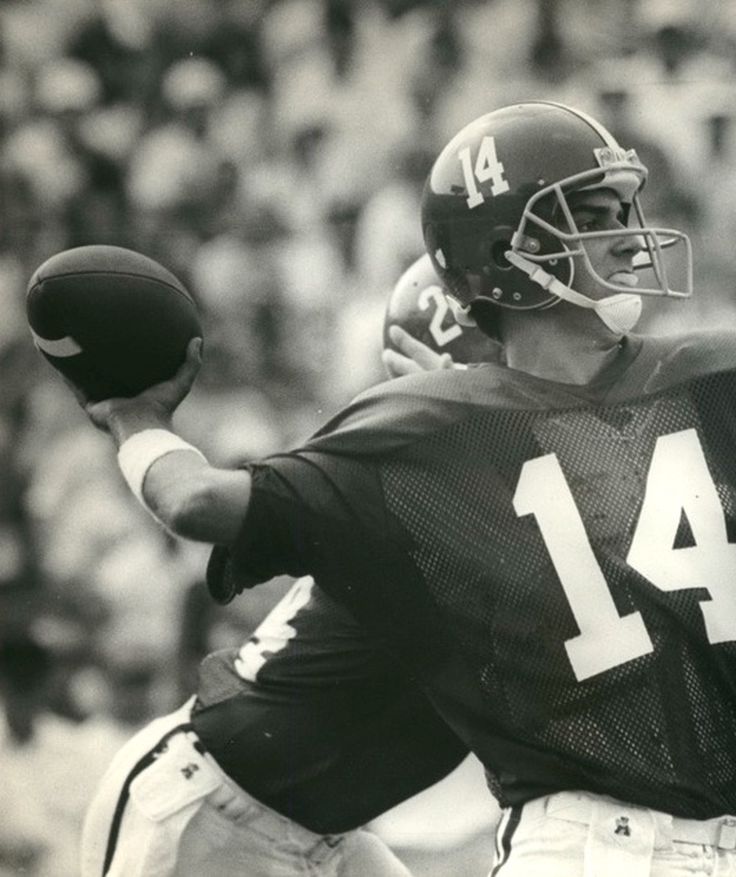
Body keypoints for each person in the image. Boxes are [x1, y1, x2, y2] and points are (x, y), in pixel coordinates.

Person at [74, 100, 736, 877]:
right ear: (498, 269)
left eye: (618, 206)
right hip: (233, 808)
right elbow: (198, 503)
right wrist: (127, 411)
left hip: (729, 839)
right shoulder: (429, 445)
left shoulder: (719, 380)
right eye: (589, 212)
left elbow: (675, 635)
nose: (624, 230)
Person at [79, 256, 482, 877]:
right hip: (212, 808)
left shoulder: (519, 492)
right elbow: (193, 501)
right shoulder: (407, 478)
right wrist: (133, 418)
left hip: (331, 836)